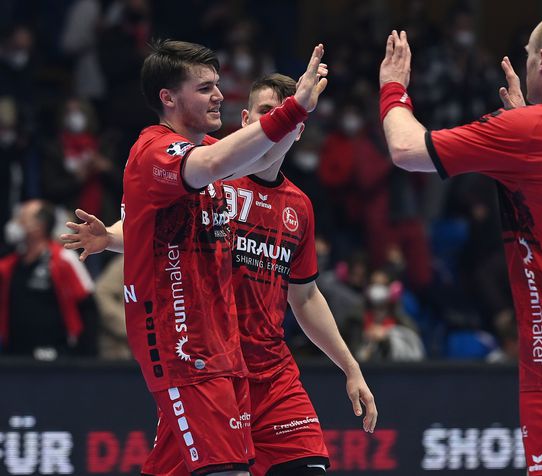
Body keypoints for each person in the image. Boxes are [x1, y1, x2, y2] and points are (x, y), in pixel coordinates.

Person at [62, 72, 377, 475]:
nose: (275, 120)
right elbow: (157, 229)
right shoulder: (214, 176)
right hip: (209, 370)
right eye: (267, 111)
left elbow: (307, 297)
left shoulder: (299, 207)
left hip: (272, 372)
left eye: (287, 114)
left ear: (299, 130)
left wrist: (351, 367)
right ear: (246, 120)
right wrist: (108, 236)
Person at [378, 13, 542, 476]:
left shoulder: (531, 131)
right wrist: (526, 127)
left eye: (527, 55)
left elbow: (406, 150)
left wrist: (393, 88)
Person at [0, 200, 95, 359]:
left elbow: (88, 306)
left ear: (39, 226)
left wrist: (86, 356)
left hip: (55, 355)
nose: (15, 224)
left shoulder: (64, 259)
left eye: (22, 218)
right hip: (14, 354)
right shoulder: (10, 264)